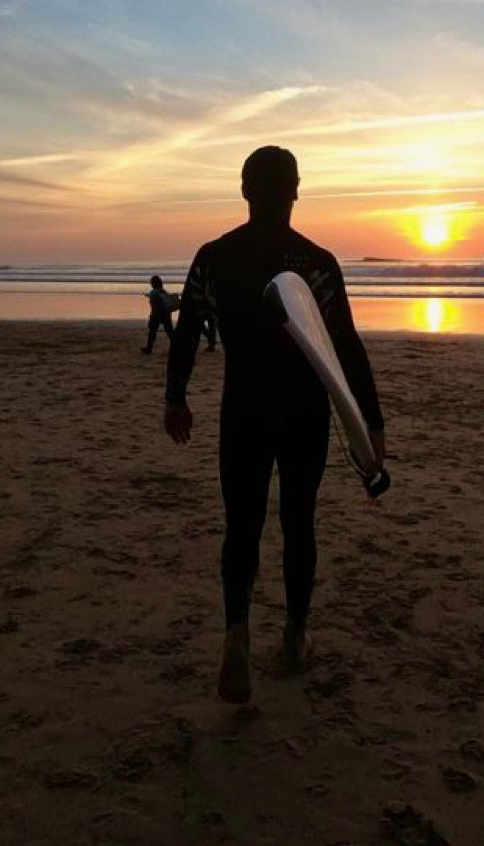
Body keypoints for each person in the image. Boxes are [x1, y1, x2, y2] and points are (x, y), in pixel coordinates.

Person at [163, 145, 385, 704]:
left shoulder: (214, 257)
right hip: (302, 412)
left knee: (241, 526)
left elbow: (186, 332)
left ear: (244, 190)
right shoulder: (316, 263)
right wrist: (371, 422)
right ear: (296, 190)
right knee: (298, 523)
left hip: (243, 408)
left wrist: (176, 398)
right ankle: (294, 635)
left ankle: (236, 637)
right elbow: (345, 345)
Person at [141, 275, 179, 354]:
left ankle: (149, 348)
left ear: (153, 284)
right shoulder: (163, 292)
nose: (151, 284)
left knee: (152, 332)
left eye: (151, 283)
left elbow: (154, 306)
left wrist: (152, 316)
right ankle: (176, 347)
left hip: (157, 314)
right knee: (170, 331)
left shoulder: (153, 293)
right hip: (166, 313)